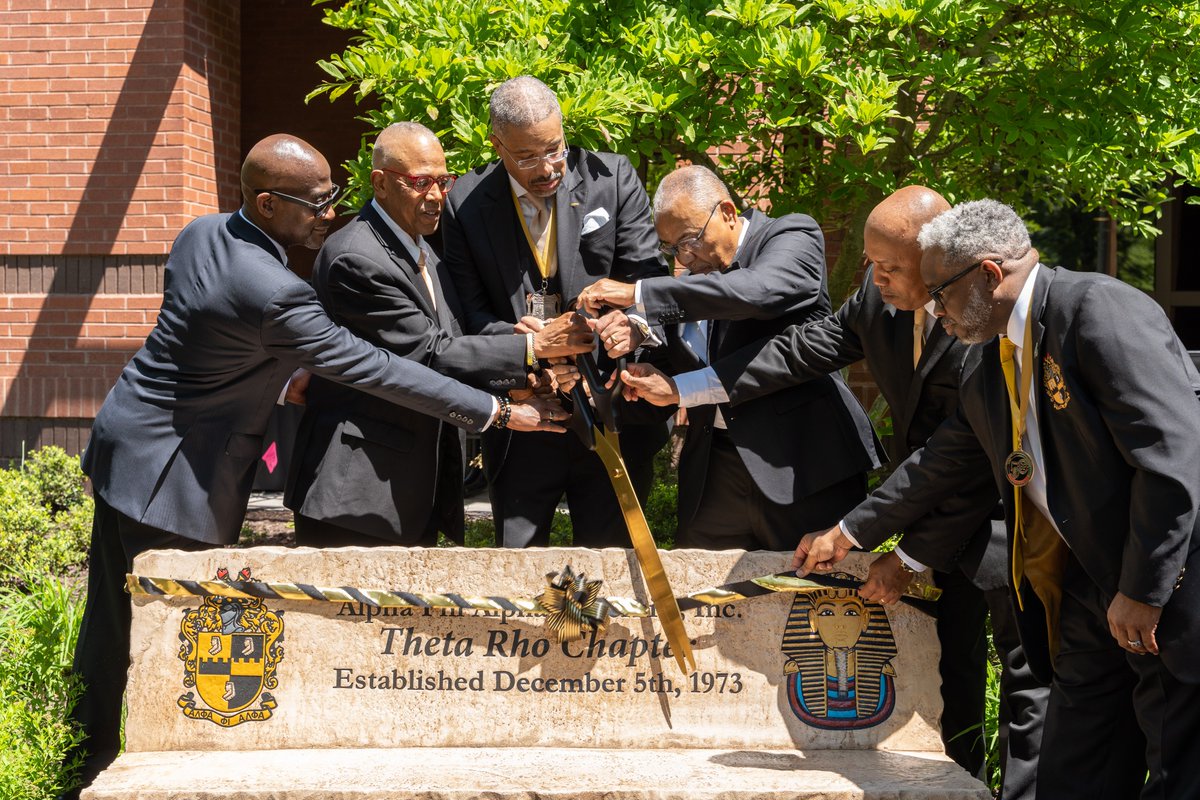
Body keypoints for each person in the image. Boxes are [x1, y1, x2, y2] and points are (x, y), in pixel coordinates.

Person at [67, 134, 564, 794]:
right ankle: (140, 780)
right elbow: (378, 369)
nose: (331, 213)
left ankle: (82, 762)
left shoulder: (201, 233)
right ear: (268, 204)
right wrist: (499, 413)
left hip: (126, 441)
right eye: (317, 201)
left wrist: (281, 370)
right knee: (175, 648)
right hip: (176, 477)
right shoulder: (278, 293)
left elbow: (208, 331)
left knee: (108, 624)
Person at [613, 186, 1046, 795]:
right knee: (949, 668)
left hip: (1004, 521)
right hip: (934, 514)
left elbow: (959, 458)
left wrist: (869, 536)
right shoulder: (878, 298)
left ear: (938, 260)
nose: (874, 279)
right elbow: (803, 349)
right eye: (870, 264)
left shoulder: (981, 327)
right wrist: (689, 388)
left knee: (1031, 689)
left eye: (890, 267)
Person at [796, 199, 1200, 799]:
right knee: (1074, 769)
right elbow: (941, 461)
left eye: (939, 292)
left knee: (1176, 770)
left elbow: (1171, 460)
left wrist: (1143, 589)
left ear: (988, 273)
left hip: (1164, 589)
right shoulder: (989, 360)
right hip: (1088, 587)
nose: (933, 309)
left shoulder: (1098, 310)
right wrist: (850, 531)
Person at [284, 123, 594, 547]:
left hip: (409, 486)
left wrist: (528, 373)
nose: (436, 196)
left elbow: (454, 334)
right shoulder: (355, 257)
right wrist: (532, 348)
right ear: (380, 183)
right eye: (420, 182)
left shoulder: (422, 246)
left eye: (443, 181)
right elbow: (427, 355)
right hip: (356, 494)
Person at [579, 164, 880, 550]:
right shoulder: (689, 285)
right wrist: (640, 376)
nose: (685, 258)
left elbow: (756, 292)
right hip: (713, 477)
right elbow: (687, 366)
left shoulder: (791, 235)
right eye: (672, 249)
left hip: (802, 469)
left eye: (690, 240)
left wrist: (640, 293)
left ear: (727, 212)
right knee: (704, 602)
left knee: (812, 602)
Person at [440, 76, 667, 548]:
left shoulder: (614, 178)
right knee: (518, 571)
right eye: (526, 157)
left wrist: (622, 332)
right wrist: (524, 352)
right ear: (496, 144)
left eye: (555, 149)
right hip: (524, 415)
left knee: (612, 572)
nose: (547, 168)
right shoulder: (464, 201)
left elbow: (649, 286)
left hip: (611, 406)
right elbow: (468, 315)